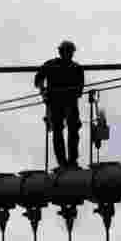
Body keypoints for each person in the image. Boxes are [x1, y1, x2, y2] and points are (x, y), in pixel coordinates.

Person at [34, 40, 85, 169]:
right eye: (67, 51)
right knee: (61, 130)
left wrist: (44, 92)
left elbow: (79, 90)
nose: (69, 54)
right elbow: (39, 79)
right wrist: (43, 92)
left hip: (64, 102)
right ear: (62, 52)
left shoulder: (75, 68)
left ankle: (70, 161)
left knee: (70, 130)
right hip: (58, 102)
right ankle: (65, 162)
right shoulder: (53, 65)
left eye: (70, 52)